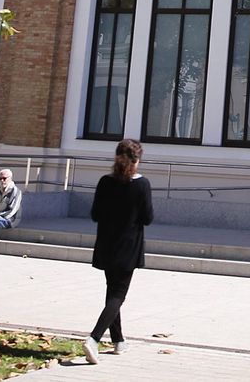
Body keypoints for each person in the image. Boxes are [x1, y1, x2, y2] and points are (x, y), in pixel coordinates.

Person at [77, 138, 154, 364]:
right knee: (118, 296)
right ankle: (94, 338)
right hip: (128, 246)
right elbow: (148, 218)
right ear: (137, 160)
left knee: (112, 293)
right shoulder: (142, 185)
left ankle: (119, 341)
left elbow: (95, 214)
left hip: (106, 244)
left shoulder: (105, 182)